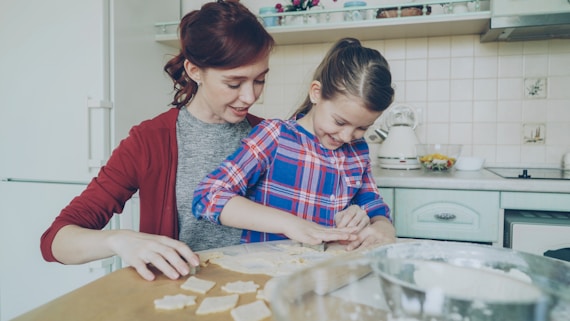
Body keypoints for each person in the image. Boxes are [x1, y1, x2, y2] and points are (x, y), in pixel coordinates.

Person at [39, 0, 317, 282]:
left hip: (263, 294)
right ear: (195, 71)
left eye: (260, 80)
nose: (250, 96)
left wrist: (356, 216)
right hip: (179, 300)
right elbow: (55, 241)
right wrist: (119, 240)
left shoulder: (274, 138)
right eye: (234, 83)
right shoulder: (149, 141)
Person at [193, 37, 397, 251]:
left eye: (362, 128)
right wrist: (290, 224)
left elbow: (372, 204)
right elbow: (208, 196)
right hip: (268, 271)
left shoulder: (357, 150)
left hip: (327, 271)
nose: (347, 136)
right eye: (340, 121)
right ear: (316, 93)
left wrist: (382, 225)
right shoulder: (274, 137)